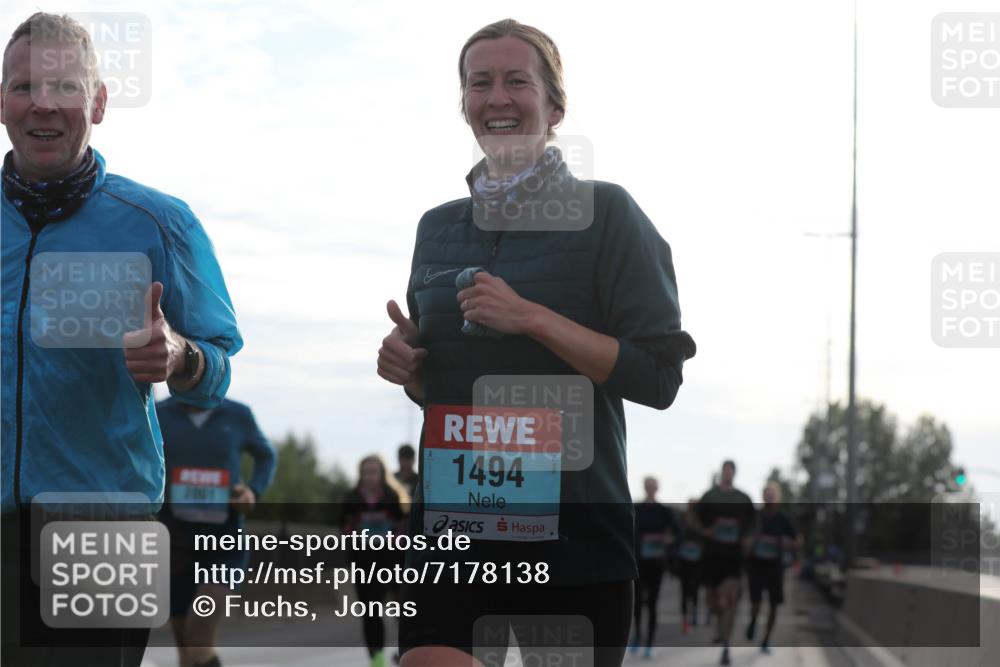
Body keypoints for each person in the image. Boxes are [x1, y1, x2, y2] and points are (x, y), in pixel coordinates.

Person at [376, 18, 696, 667]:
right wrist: (410, 369)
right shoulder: (435, 228)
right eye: (479, 83)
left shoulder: (610, 214)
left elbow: (658, 377)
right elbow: (446, 388)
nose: (497, 98)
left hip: (574, 544)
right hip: (454, 535)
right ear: (463, 101)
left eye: (516, 81)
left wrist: (533, 318)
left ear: (555, 106)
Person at [1, 13, 240, 667]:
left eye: (66, 87)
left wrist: (179, 356)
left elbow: (218, 362)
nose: (43, 104)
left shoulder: (160, 222)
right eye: (24, 86)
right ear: (1, 100)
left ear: (99, 101)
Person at [157, 398, 276, 667]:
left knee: (200, 629)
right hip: (174, 537)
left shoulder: (237, 414)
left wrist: (252, 490)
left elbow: (266, 456)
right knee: (186, 646)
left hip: (224, 536)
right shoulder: (158, 412)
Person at [340, 455, 410, 667]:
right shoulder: (351, 498)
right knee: (370, 611)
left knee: (403, 609)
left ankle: (405, 652)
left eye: (373, 472)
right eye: (366, 472)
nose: (369, 476)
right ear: (360, 474)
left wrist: (393, 538)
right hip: (363, 562)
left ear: (381, 474)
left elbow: (404, 526)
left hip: (391, 561)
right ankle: (376, 658)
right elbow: (342, 527)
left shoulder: (392, 496)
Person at [697, 461, 755, 666]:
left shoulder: (743, 498)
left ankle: (726, 646)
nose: (728, 473)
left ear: (734, 473)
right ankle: (716, 618)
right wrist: (704, 532)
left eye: (731, 470)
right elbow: (693, 518)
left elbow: (754, 523)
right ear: (721, 472)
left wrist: (748, 538)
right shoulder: (710, 496)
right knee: (714, 600)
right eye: (725, 470)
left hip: (734, 557)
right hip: (712, 556)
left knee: (730, 600)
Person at [745, 481, 799, 654]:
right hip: (756, 566)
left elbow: (797, 541)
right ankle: (753, 620)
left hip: (775, 568)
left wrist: (786, 543)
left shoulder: (783, 519)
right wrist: (749, 544)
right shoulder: (755, 517)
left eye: (772, 495)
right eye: (766, 494)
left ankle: (766, 640)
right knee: (756, 602)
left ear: (778, 498)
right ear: (762, 496)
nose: (769, 498)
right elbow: (744, 537)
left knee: (774, 605)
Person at [630, 476, 676, 659]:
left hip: (656, 563)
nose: (650, 489)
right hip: (639, 562)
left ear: (657, 488)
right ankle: (638, 635)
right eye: (647, 486)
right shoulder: (637, 509)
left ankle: (649, 642)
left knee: (652, 604)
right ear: (644, 488)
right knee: (637, 603)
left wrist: (669, 540)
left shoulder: (664, 511)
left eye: (653, 486)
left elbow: (678, 533)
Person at [676, 498, 704, 635]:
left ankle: (693, 613)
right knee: (684, 592)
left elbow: (703, 540)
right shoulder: (682, 522)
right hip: (684, 563)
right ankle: (685, 619)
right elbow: (677, 538)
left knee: (694, 591)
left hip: (696, 564)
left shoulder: (701, 523)